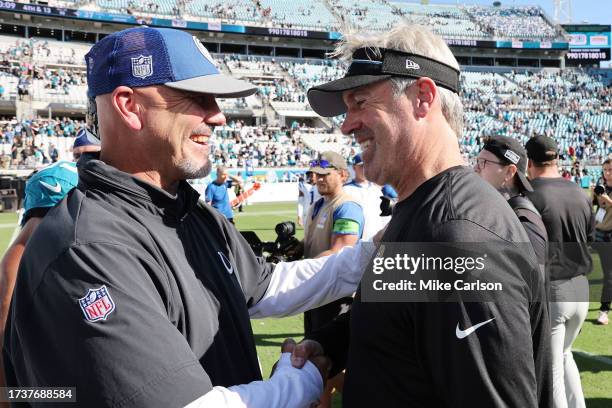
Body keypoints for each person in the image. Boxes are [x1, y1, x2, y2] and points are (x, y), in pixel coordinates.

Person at [3, 27, 375, 408]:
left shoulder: (186, 209)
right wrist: (304, 377)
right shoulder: (88, 247)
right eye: (198, 98)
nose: (218, 117)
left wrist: (373, 256)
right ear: (129, 105)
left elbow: (263, 287)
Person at [305, 23, 550, 407]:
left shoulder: (460, 237)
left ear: (423, 97)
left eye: (361, 102)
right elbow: (406, 314)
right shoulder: (425, 211)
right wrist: (328, 344)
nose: (347, 124)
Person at [525, 135, 593, 408]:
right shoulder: (578, 190)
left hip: (555, 287)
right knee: (565, 357)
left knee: (550, 368)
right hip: (582, 287)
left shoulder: (530, 195)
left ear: (528, 162)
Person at [303, 151, 364, 408]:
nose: (316, 179)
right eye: (313, 174)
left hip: (335, 296)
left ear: (342, 174)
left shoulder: (347, 206)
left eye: (323, 174)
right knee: (316, 362)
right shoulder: (318, 204)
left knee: (332, 363)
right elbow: (314, 246)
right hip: (315, 294)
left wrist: (299, 271)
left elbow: (341, 251)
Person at [343, 153, 389, 240]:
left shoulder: (377, 190)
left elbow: (385, 216)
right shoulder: (346, 190)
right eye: (361, 166)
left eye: (368, 165)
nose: (365, 169)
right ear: (354, 168)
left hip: (376, 240)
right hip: (355, 242)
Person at [592, 159, 612, 325]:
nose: (607, 173)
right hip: (600, 235)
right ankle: (604, 308)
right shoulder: (601, 189)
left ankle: (605, 309)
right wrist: (594, 196)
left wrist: (609, 201)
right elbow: (595, 209)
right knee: (606, 273)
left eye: (610, 170)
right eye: (605, 170)